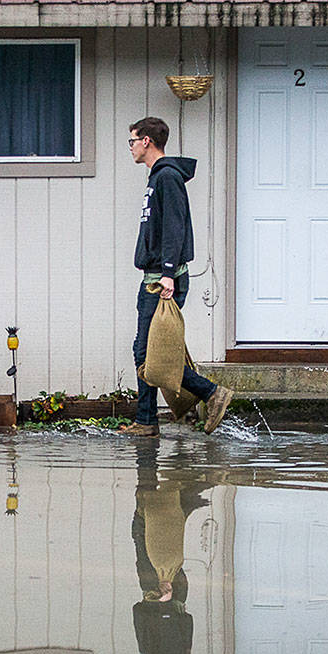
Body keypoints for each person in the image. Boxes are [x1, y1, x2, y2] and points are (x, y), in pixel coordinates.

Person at [121, 116, 234, 438]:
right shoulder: (158, 177)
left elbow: (175, 226)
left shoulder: (167, 177)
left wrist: (168, 274)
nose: (130, 148)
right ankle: (146, 421)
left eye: (132, 141)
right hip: (154, 277)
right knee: (145, 352)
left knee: (150, 355)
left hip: (163, 279)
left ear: (146, 141)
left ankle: (212, 393)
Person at [126, 453, 208, 654]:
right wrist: (167, 607)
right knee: (143, 529)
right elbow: (174, 648)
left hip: (156, 599)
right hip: (161, 599)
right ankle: (153, 459)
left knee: (144, 529)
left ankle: (177, 485)